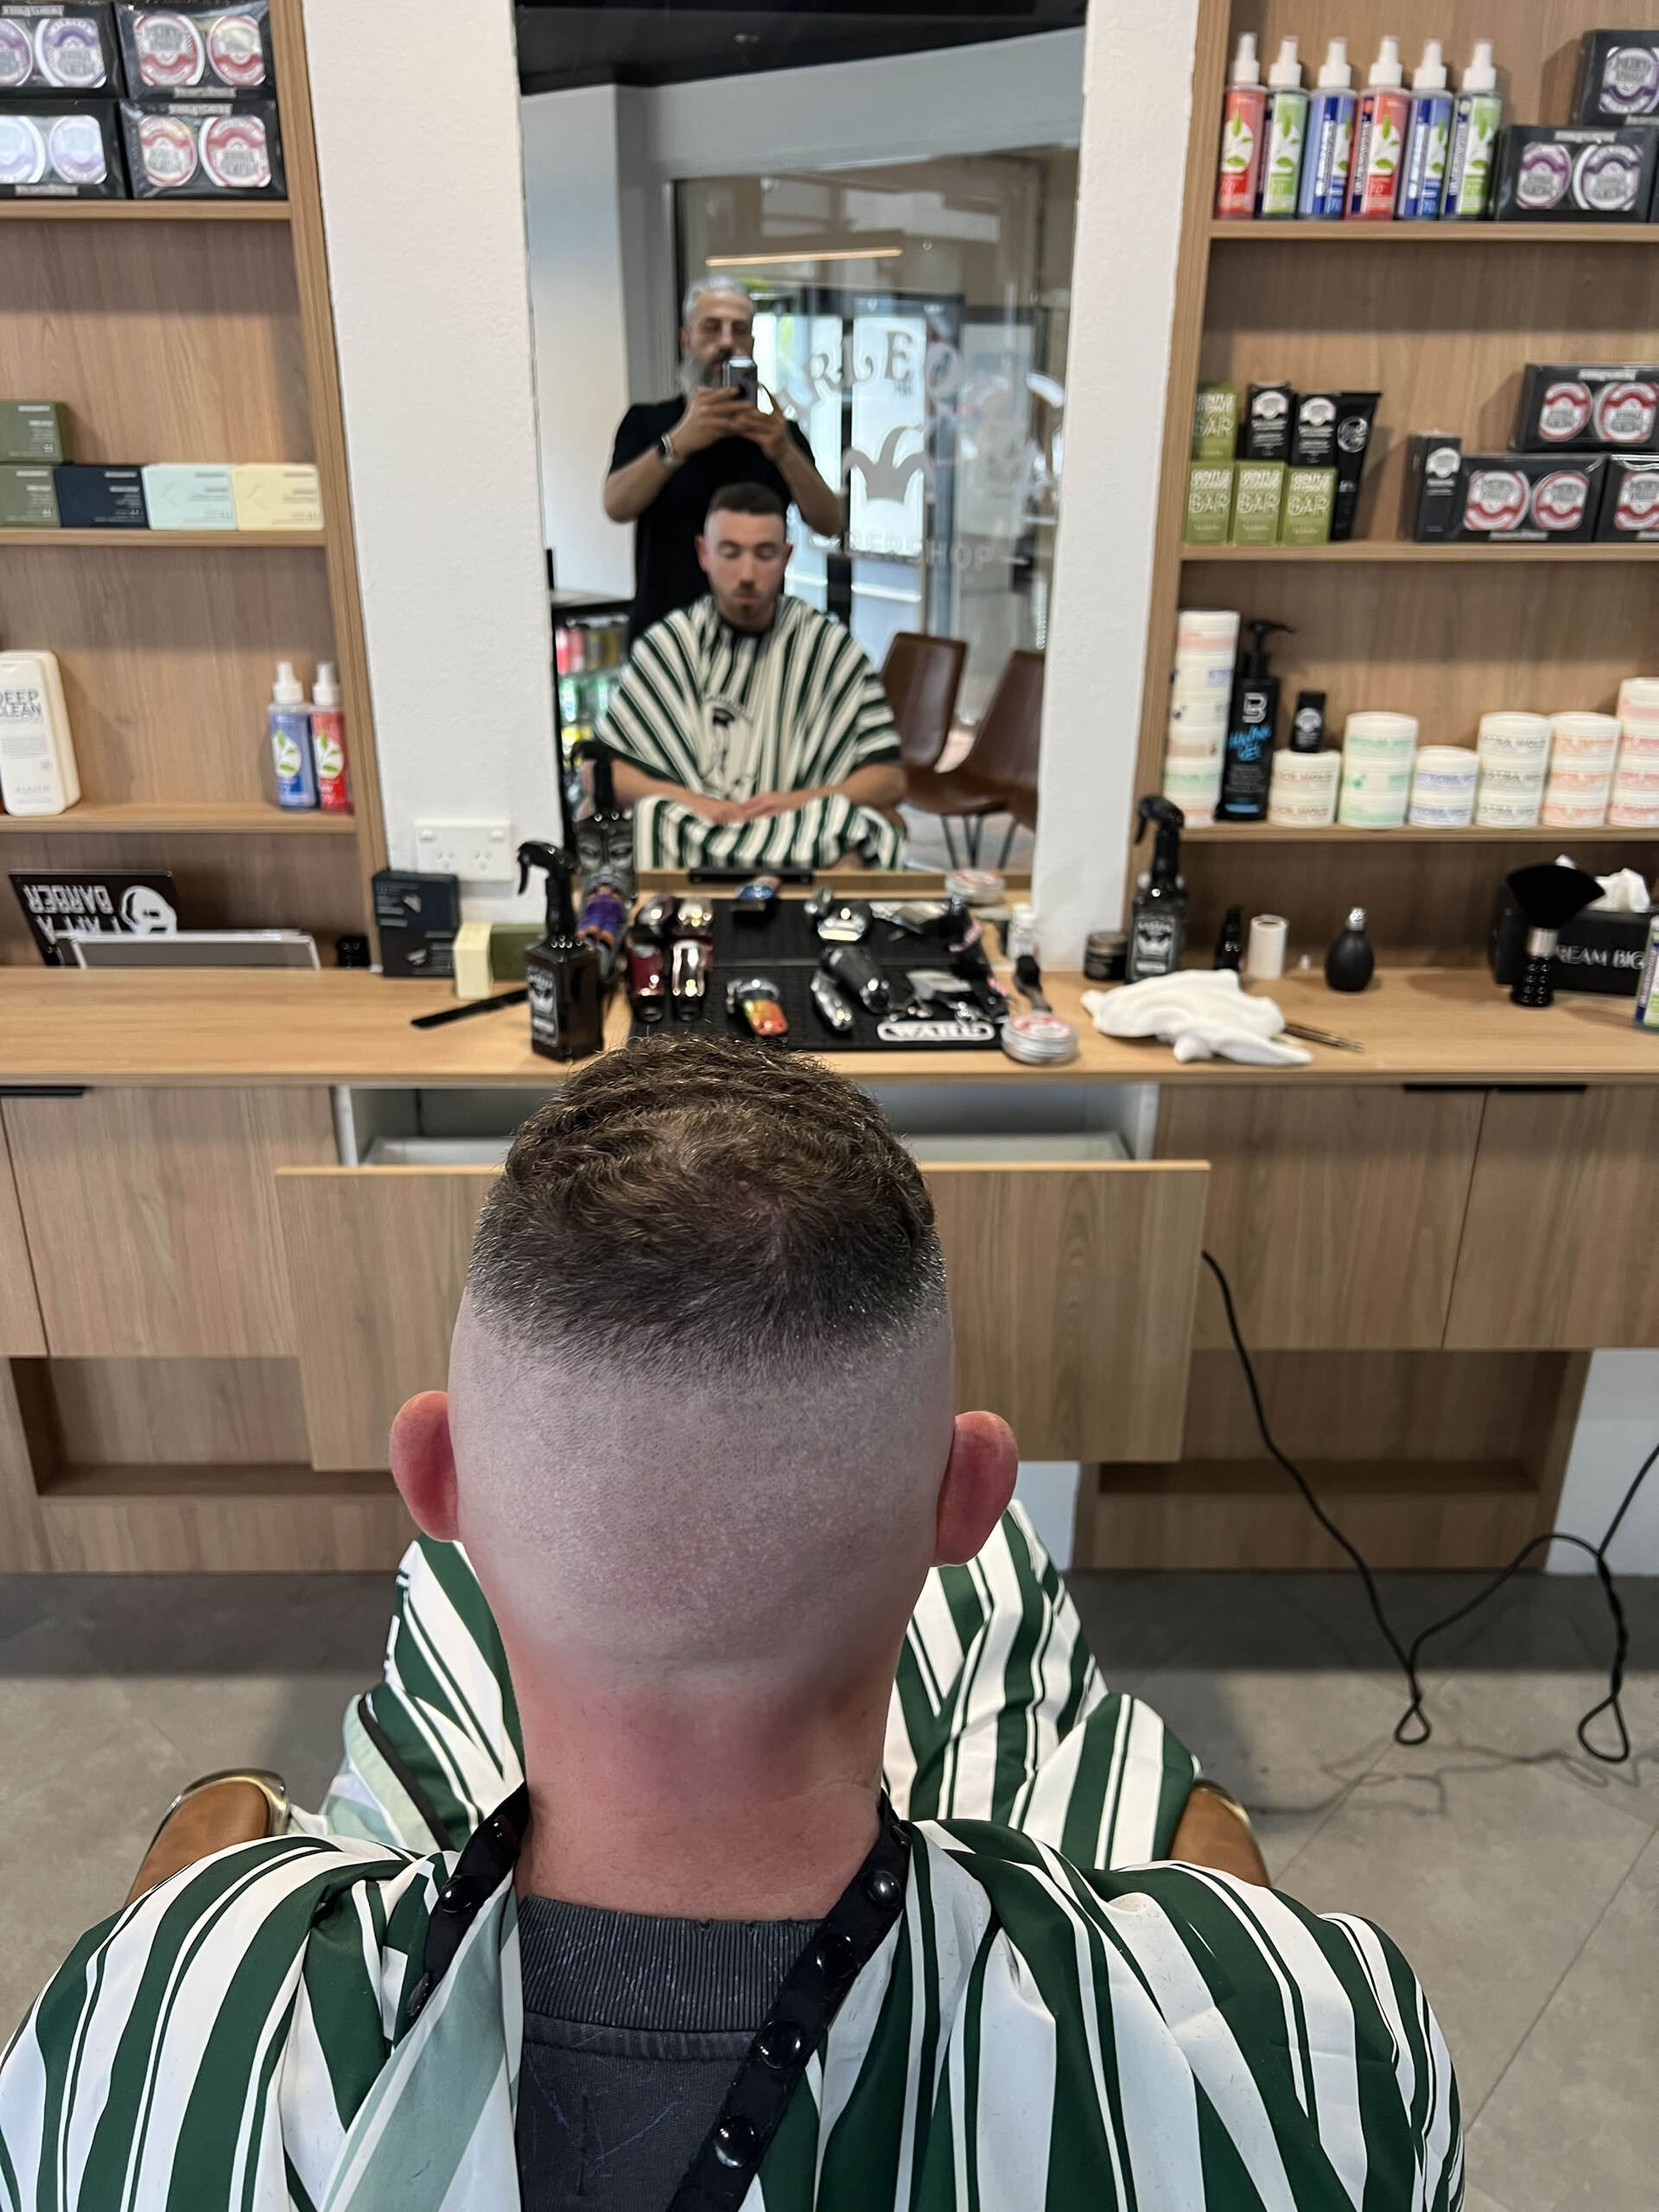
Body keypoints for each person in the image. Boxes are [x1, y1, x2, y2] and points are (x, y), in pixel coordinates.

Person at [0, 1042, 1463, 2212]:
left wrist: (219, 1833)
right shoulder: (1316, 2047)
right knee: (1096, 1732)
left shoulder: (155, 2004)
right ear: (969, 1501)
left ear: (434, 1480)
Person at [602, 481, 908, 870]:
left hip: (798, 829)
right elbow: (604, 774)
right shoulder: (670, 645)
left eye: (764, 554)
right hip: (694, 827)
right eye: (730, 553)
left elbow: (889, 780)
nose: (747, 574)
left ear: (786, 557)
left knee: (863, 827)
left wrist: (799, 801)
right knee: (653, 816)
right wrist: (696, 803)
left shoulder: (829, 648)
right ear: (704, 553)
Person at [605, 276, 842, 644]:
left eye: (739, 330)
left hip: (759, 643)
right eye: (712, 328)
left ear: (753, 344)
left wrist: (784, 452)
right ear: (687, 340)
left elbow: (830, 523)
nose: (727, 342)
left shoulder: (776, 434)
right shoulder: (649, 423)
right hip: (666, 643)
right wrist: (677, 443)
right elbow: (616, 505)